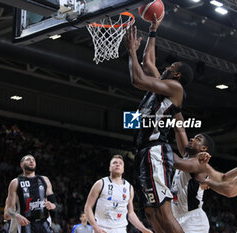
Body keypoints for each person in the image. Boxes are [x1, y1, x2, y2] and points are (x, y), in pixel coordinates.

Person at [125, 14, 194, 233]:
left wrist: (131, 52)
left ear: (176, 73)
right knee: (150, 212)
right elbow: (148, 62)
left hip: (156, 150)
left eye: (171, 65)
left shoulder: (175, 89)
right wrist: (153, 30)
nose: (165, 67)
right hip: (143, 151)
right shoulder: (160, 86)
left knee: (164, 212)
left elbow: (138, 79)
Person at [170, 113, 215, 233]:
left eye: (197, 139)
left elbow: (174, 161)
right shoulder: (186, 158)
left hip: (193, 220)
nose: (192, 139)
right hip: (177, 217)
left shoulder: (198, 163)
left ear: (204, 148)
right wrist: (176, 108)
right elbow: (180, 130)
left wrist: (157, 145)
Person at [84, 155, 152, 233]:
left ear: (123, 169)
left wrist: (143, 229)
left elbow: (130, 213)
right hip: (102, 229)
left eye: (120, 163)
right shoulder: (100, 183)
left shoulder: (129, 187)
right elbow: (87, 207)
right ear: (110, 168)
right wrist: (96, 228)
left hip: (121, 230)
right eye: (114, 163)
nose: (117, 164)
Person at [4, 154, 56, 233]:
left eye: (33, 160)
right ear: (21, 165)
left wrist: (52, 206)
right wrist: (17, 216)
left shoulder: (44, 180)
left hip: (43, 222)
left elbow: (55, 204)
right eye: (28, 159)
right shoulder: (16, 182)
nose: (31, 161)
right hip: (26, 223)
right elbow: (8, 212)